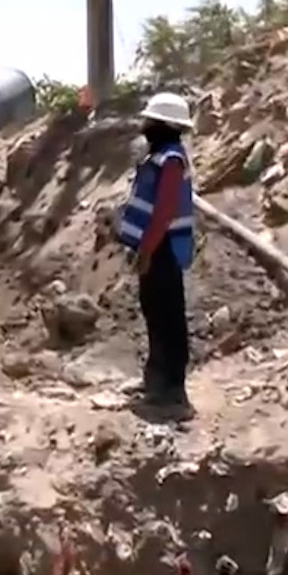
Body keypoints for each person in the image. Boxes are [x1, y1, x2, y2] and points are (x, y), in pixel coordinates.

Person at [115, 93, 197, 415]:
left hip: (164, 247)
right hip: (152, 245)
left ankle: (173, 392)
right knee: (154, 313)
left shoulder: (172, 160)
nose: (144, 125)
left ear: (164, 125)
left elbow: (163, 212)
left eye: (150, 121)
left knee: (168, 317)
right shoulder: (159, 156)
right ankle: (155, 381)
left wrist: (147, 250)